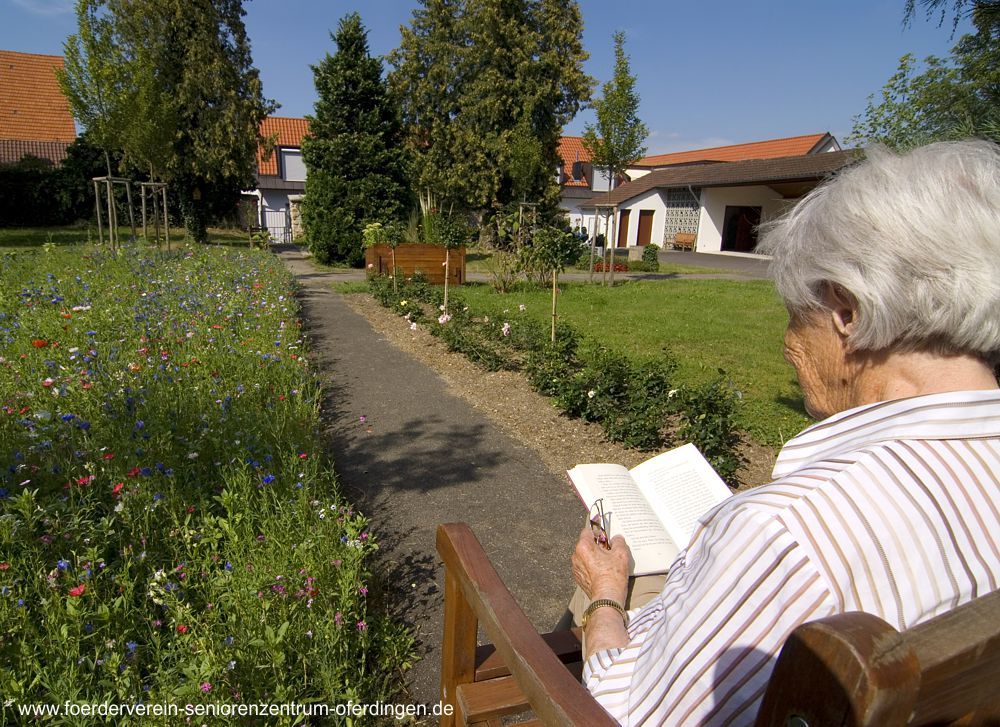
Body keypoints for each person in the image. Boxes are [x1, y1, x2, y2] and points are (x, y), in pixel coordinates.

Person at [570, 140, 1000, 726]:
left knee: (597, 590)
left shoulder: (786, 535)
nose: (787, 345)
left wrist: (603, 597)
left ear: (848, 311)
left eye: (796, 313)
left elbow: (627, 713)